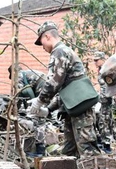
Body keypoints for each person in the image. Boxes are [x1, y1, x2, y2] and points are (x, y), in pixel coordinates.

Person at [29, 21, 101, 158]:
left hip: (80, 107)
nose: (42, 47)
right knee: (70, 149)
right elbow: (64, 88)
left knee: (87, 149)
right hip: (74, 107)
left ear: (48, 36)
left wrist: (39, 102)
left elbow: (53, 83)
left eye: (42, 42)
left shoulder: (59, 52)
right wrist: (49, 109)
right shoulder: (62, 51)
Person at [8, 65, 49, 157]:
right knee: (39, 119)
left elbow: (18, 96)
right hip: (48, 88)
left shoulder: (18, 75)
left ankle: (40, 151)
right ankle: (40, 149)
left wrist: (12, 110)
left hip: (43, 90)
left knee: (37, 118)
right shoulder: (26, 74)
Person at [93, 51, 113, 154]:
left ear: (102, 59)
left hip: (108, 101)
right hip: (103, 100)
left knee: (106, 121)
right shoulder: (101, 70)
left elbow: (109, 86)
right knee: (101, 120)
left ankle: (107, 144)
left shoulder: (107, 69)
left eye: (97, 60)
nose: (95, 63)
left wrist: (107, 99)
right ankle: (102, 141)